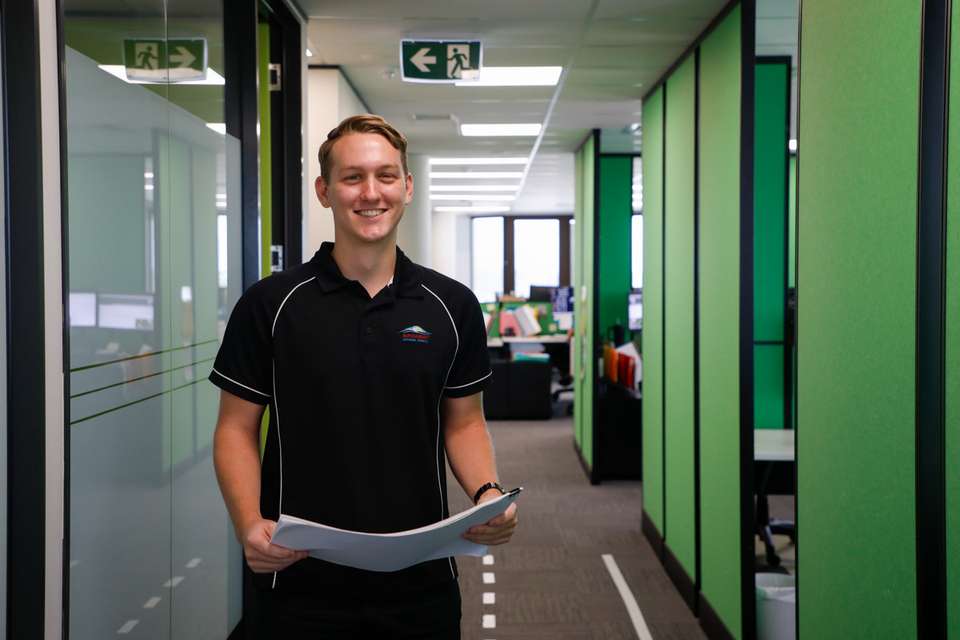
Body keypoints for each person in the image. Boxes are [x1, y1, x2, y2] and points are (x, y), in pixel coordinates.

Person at [210, 114, 518, 638]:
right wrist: (247, 525)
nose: (370, 192)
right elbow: (235, 429)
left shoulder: (452, 306)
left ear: (407, 187)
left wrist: (487, 493)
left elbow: (463, 423)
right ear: (324, 190)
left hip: (421, 579)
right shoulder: (271, 305)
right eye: (352, 177)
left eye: (386, 175)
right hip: (298, 575)